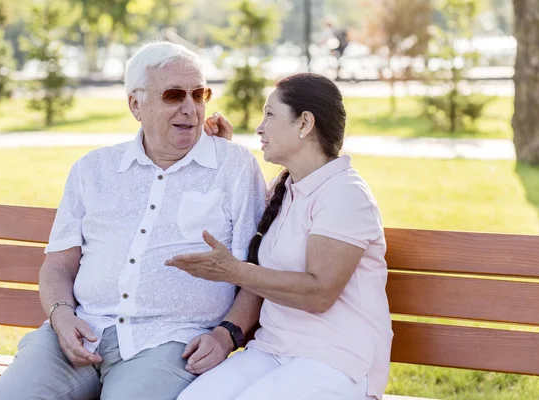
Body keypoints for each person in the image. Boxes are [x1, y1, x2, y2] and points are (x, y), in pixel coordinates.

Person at [0, 42, 267, 400]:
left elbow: (257, 271)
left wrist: (226, 334)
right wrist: (61, 317)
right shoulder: (93, 169)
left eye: (199, 94)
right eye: (174, 95)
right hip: (80, 332)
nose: (190, 109)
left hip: (171, 341)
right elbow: (57, 265)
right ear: (136, 104)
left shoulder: (234, 168)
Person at [168, 73, 393, 400]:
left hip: (337, 359)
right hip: (273, 349)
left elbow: (319, 294)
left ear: (304, 123)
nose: (260, 128)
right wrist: (222, 153)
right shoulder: (285, 189)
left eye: (270, 115)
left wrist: (233, 271)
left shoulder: (344, 194)